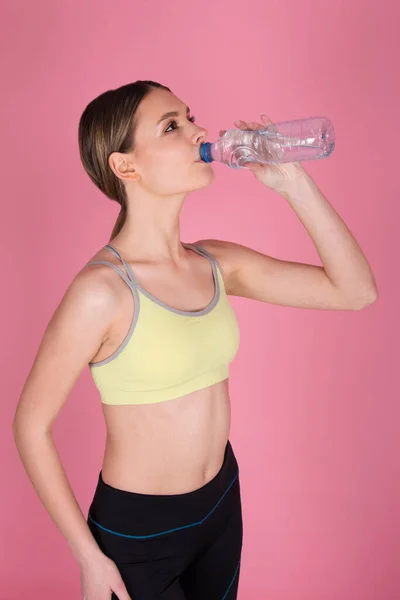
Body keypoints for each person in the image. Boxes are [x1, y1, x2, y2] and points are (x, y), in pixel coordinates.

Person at [12, 80, 378, 600]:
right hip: (139, 531)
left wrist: (294, 184)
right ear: (126, 167)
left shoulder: (215, 262)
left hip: (221, 504)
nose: (199, 132)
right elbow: (30, 425)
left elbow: (355, 291)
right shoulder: (102, 291)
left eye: (189, 118)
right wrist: (88, 557)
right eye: (171, 127)